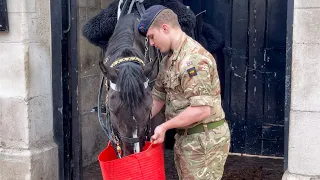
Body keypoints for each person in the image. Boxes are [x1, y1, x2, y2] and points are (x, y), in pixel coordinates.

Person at [138, 5, 231, 180]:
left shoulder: (193, 60)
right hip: (186, 139)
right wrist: (137, 121)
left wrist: (164, 126)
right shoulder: (168, 61)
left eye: (152, 36)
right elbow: (157, 98)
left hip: (204, 141)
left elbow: (201, 110)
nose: (151, 43)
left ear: (165, 28)